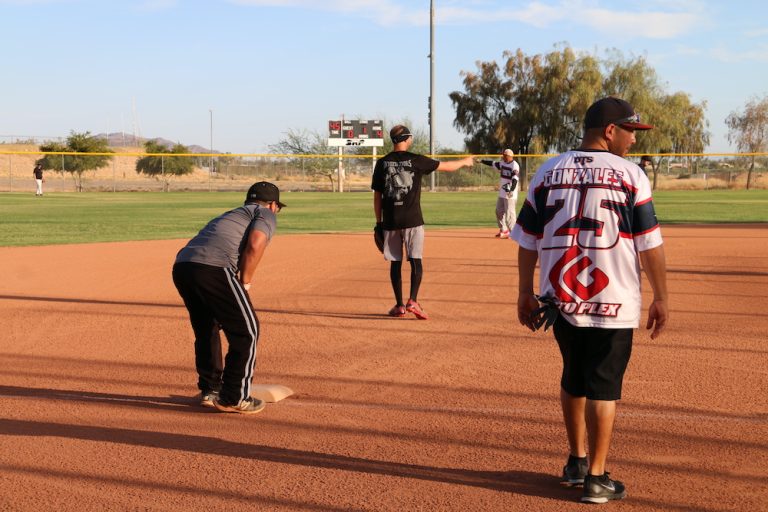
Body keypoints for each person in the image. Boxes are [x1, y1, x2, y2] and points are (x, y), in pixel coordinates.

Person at [511, 97, 669, 504]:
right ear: (610, 131)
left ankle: (577, 461)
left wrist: (524, 291)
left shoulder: (548, 170)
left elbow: (527, 239)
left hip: (560, 298)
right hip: (612, 297)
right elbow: (649, 243)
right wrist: (661, 296)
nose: (634, 139)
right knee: (604, 384)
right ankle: (597, 478)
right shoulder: (631, 175)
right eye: (631, 130)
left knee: (574, 376)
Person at [172, 181, 285, 415]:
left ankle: (210, 390)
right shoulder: (265, 213)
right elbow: (255, 244)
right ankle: (235, 397)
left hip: (183, 266)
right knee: (247, 331)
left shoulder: (232, 214)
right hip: (214, 268)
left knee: (207, 328)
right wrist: (245, 282)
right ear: (273, 205)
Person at [372, 125, 474, 320]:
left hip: (390, 221)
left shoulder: (382, 163)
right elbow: (447, 167)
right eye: (410, 137)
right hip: (412, 220)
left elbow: (377, 197)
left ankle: (400, 306)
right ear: (406, 139)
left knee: (395, 263)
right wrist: (465, 161)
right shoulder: (416, 160)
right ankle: (413, 301)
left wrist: (379, 223)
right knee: (415, 260)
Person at [480, 149, 520, 238]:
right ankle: (504, 230)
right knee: (498, 211)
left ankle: (514, 233)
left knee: (510, 215)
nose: (503, 156)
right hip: (502, 192)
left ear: (510, 156)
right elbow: (492, 163)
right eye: (503, 155)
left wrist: (511, 190)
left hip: (510, 194)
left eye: (505, 155)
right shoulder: (502, 163)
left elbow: (515, 179)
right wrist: (482, 161)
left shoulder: (515, 165)